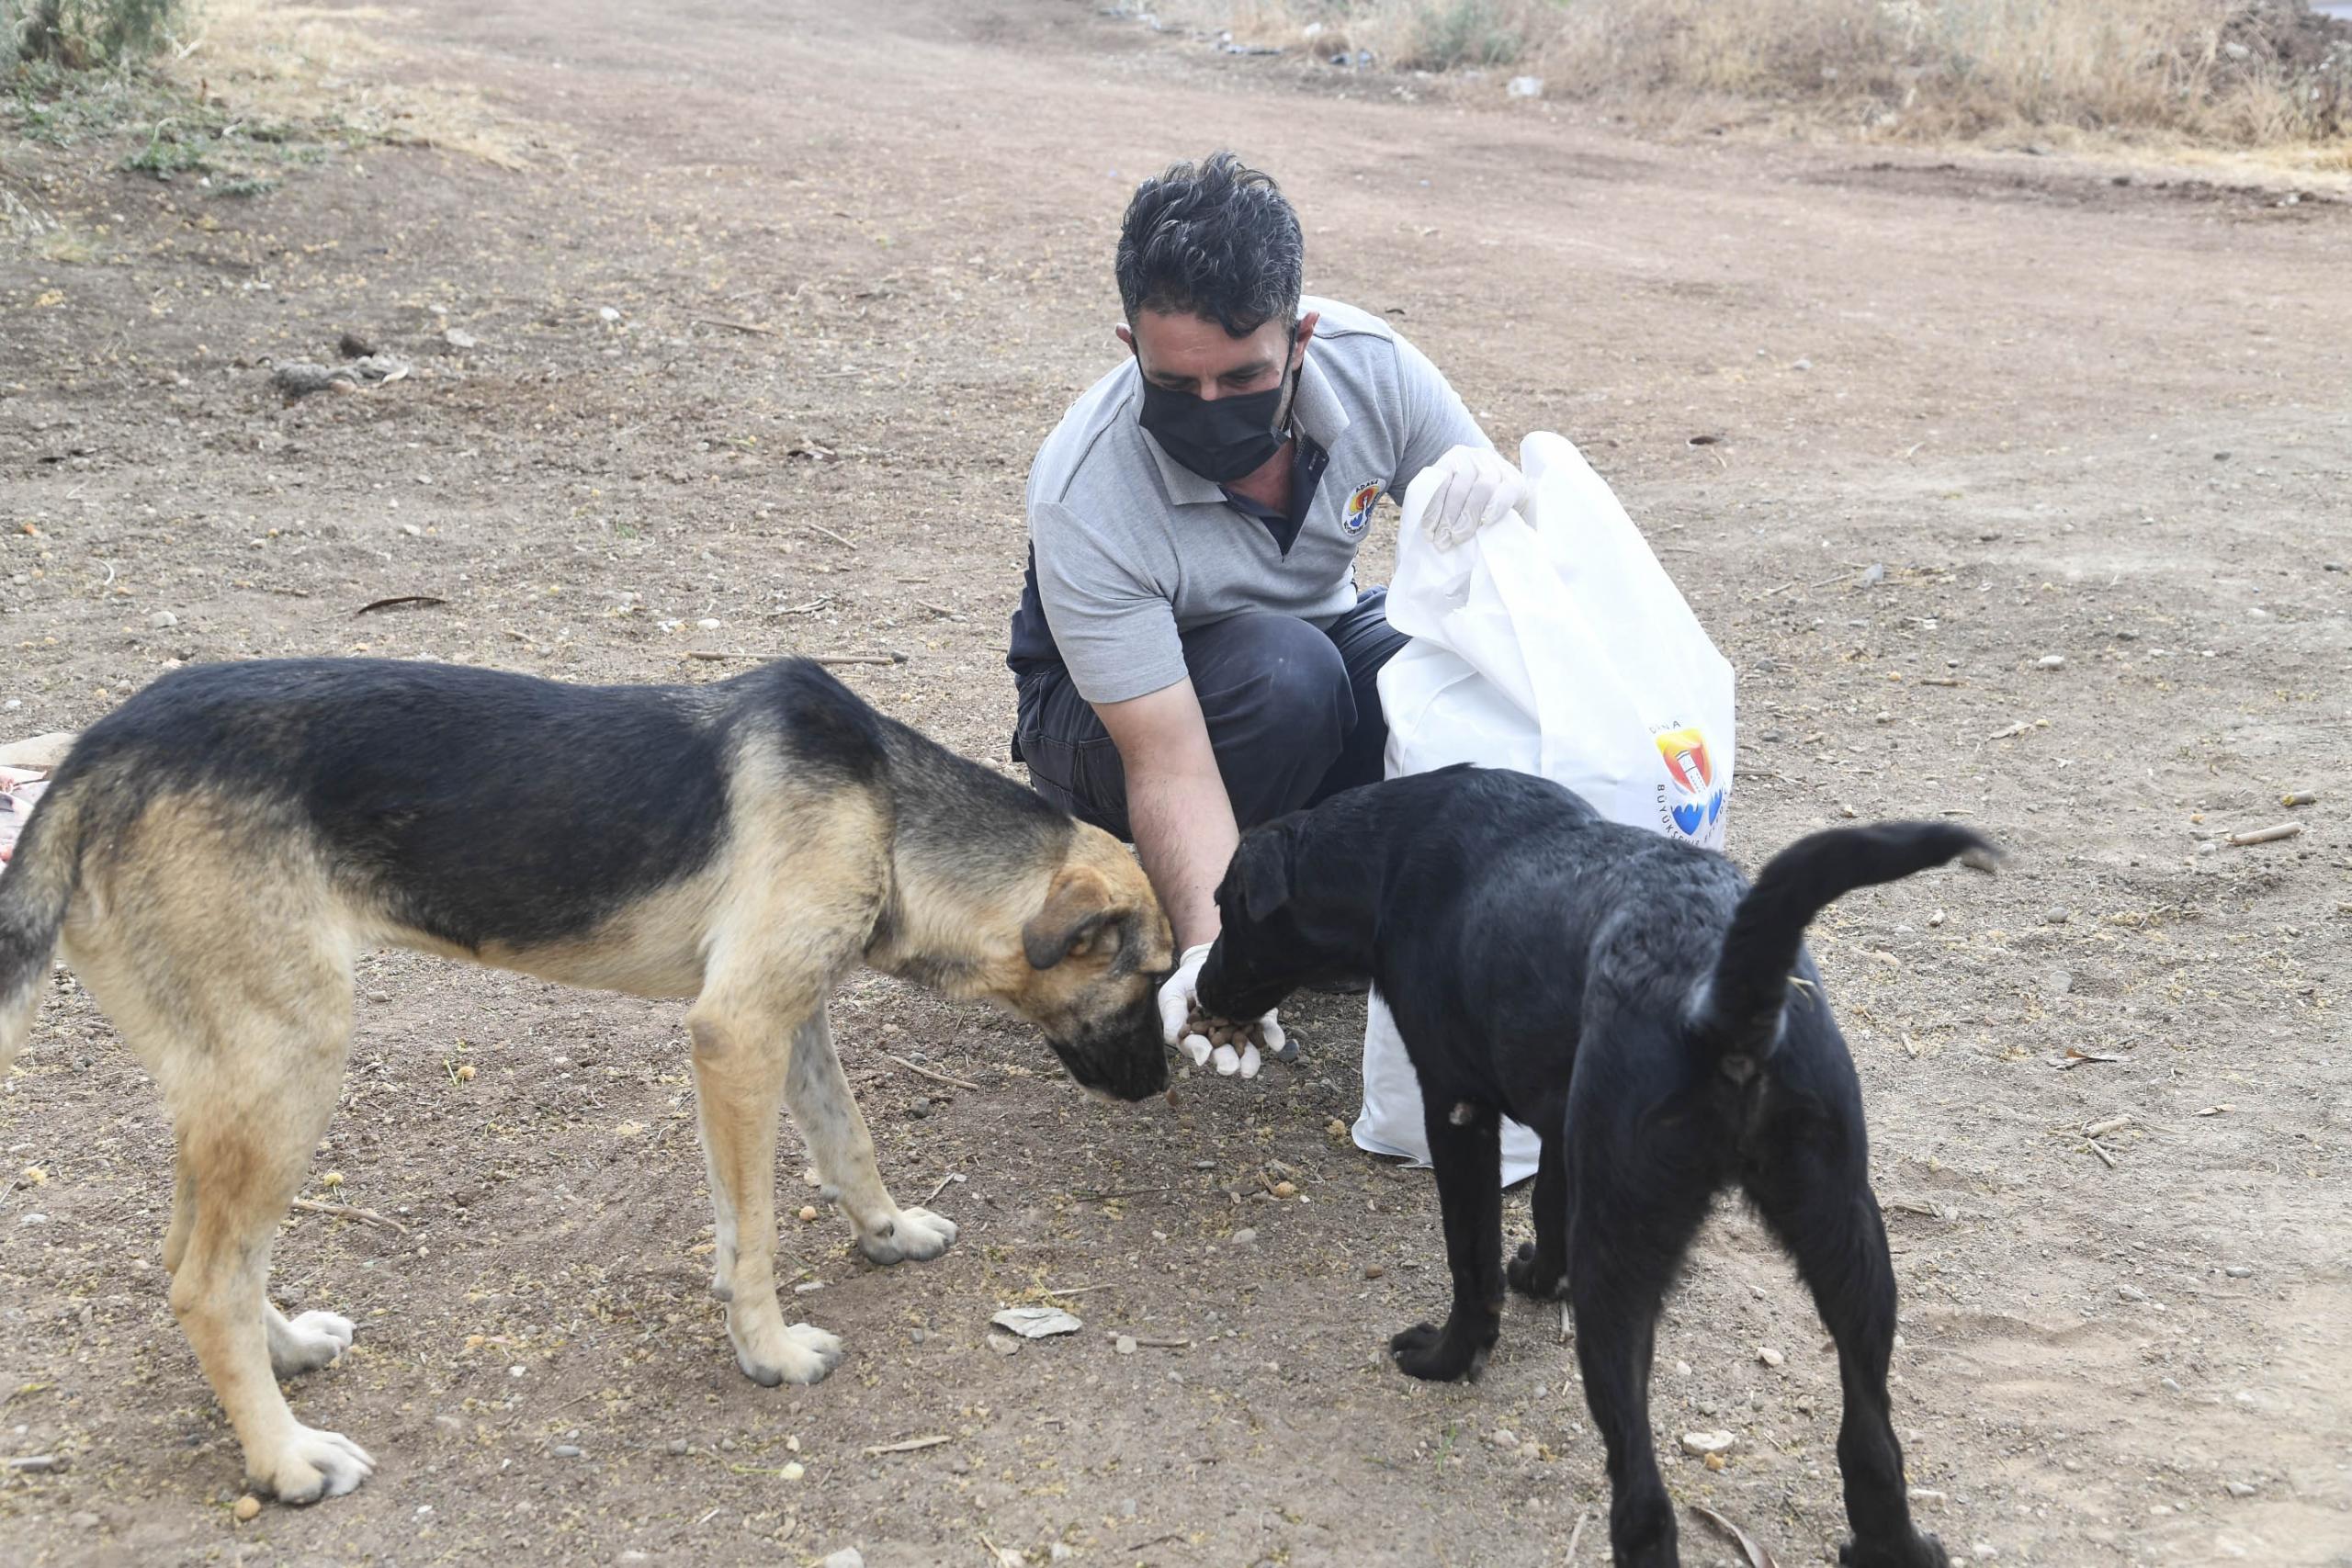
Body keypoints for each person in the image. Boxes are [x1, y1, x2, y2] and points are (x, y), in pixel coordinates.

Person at [1006, 152, 1527, 1074]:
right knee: (1287, 677)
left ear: (1300, 339)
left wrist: (1503, 505)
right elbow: (1163, 760)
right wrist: (1221, 962)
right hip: (1104, 723)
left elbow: (1514, 583)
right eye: (1176, 384)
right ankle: (1188, 905)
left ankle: (1341, 903)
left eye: (1242, 379)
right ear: (1131, 347)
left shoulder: (1377, 373)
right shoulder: (1085, 492)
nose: (1209, 406)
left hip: (1303, 647)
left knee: (1446, 666)